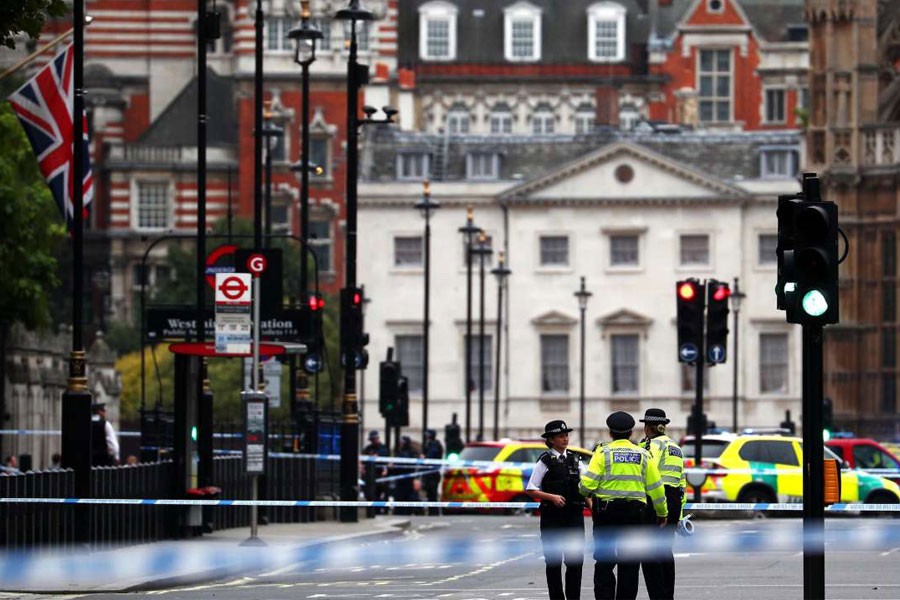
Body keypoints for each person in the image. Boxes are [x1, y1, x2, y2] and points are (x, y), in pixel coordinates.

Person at [579, 411, 668, 600]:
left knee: (604, 563)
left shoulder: (602, 453)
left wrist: (584, 492)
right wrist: (662, 513)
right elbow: (656, 489)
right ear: (631, 433)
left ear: (610, 433)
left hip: (606, 515)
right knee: (629, 565)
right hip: (634, 516)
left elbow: (587, 486)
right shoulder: (643, 454)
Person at [527, 420, 590, 600]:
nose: (565, 439)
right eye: (561, 436)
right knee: (553, 563)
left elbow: (584, 487)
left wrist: (592, 505)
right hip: (552, 518)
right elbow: (531, 489)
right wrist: (551, 497)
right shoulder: (544, 461)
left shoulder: (576, 460)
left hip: (573, 517)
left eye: (566, 435)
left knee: (575, 562)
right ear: (551, 440)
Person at [638, 408, 686, 600]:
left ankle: (657, 596)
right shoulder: (675, 447)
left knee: (649, 554)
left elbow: (648, 473)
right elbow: (682, 482)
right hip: (674, 498)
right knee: (665, 551)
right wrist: (680, 515)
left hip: (655, 499)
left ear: (648, 427)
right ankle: (667, 596)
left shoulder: (652, 446)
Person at [362, 430, 389, 515]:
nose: (373, 441)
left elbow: (383, 460)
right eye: (371, 439)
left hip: (380, 474)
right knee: (370, 494)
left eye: (374, 439)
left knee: (381, 493)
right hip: (369, 475)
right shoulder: (368, 448)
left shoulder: (383, 448)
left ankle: (382, 510)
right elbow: (363, 459)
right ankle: (372, 511)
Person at [422, 429, 444, 515]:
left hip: (433, 473)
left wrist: (425, 457)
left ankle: (434, 512)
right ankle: (432, 511)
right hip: (429, 473)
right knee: (430, 494)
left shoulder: (434, 445)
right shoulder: (429, 444)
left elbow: (431, 456)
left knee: (432, 493)